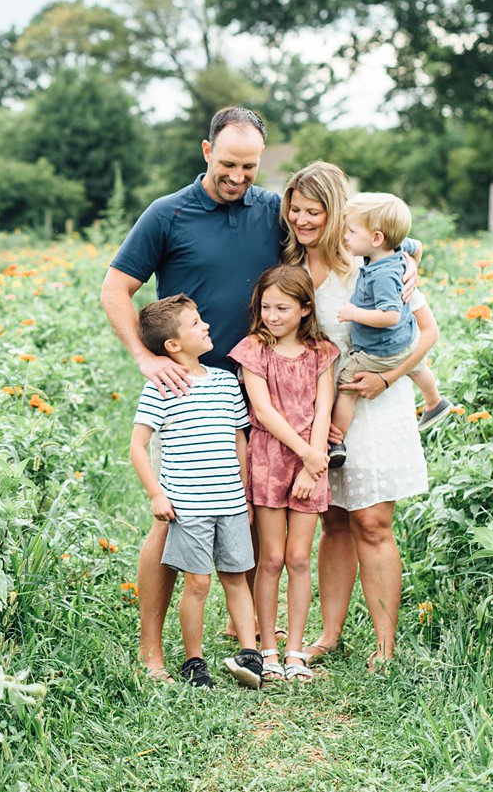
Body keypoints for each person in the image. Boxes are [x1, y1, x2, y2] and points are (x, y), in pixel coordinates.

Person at [101, 107, 278, 677]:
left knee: (241, 508)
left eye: (249, 166)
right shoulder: (168, 214)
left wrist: (409, 258)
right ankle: (153, 650)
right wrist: (145, 356)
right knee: (171, 519)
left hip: (253, 384)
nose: (238, 176)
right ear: (206, 151)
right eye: (228, 163)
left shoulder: (272, 210)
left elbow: (346, 224)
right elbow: (115, 288)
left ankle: (242, 632)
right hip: (185, 391)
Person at [279, 162, 438, 672]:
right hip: (322, 403)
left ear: (337, 214)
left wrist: (387, 380)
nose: (304, 221)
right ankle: (329, 635)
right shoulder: (292, 267)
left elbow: (427, 333)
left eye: (316, 212)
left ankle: (386, 644)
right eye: (296, 211)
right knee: (334, 520)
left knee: (374, 521)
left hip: (377, 395)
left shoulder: (373, 263)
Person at [128, 294, 263, 688]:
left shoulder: (224, 382)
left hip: (231, 503)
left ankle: (249, 654)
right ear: (172, 345)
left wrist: (244, 491)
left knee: (237, 575)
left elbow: (241, 440)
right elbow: (137, 445)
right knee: (199, 583)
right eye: (195, 323)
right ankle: (194, 661)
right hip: (188, 506)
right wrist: (157, 494)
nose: (206, 326)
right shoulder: (162, 388)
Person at [227, 265, 339, 683]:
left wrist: (314, 463)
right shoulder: (253, 350)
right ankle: (267, 648)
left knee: (298, 558)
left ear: (305, 308)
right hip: (273, 458)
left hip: (312, 458)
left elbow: (324, 406)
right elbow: (264, 410)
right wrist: (307, 453)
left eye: (282, 308)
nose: (271, 316)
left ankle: (295, 650)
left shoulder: (322, 353)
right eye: (266, 307)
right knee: (271, 557)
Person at [326, 193, 449, 463]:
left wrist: (354, 313)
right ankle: (434, 401)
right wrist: (414, 260)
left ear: (377, 239)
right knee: (418, 366)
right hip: (405, 340)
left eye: (351, 231)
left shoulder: (382, 275)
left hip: (379, 350)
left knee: (347, 386)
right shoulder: (394, 249)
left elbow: (390, 315)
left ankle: (335, 441)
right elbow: (416, 246)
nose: (345, 236)